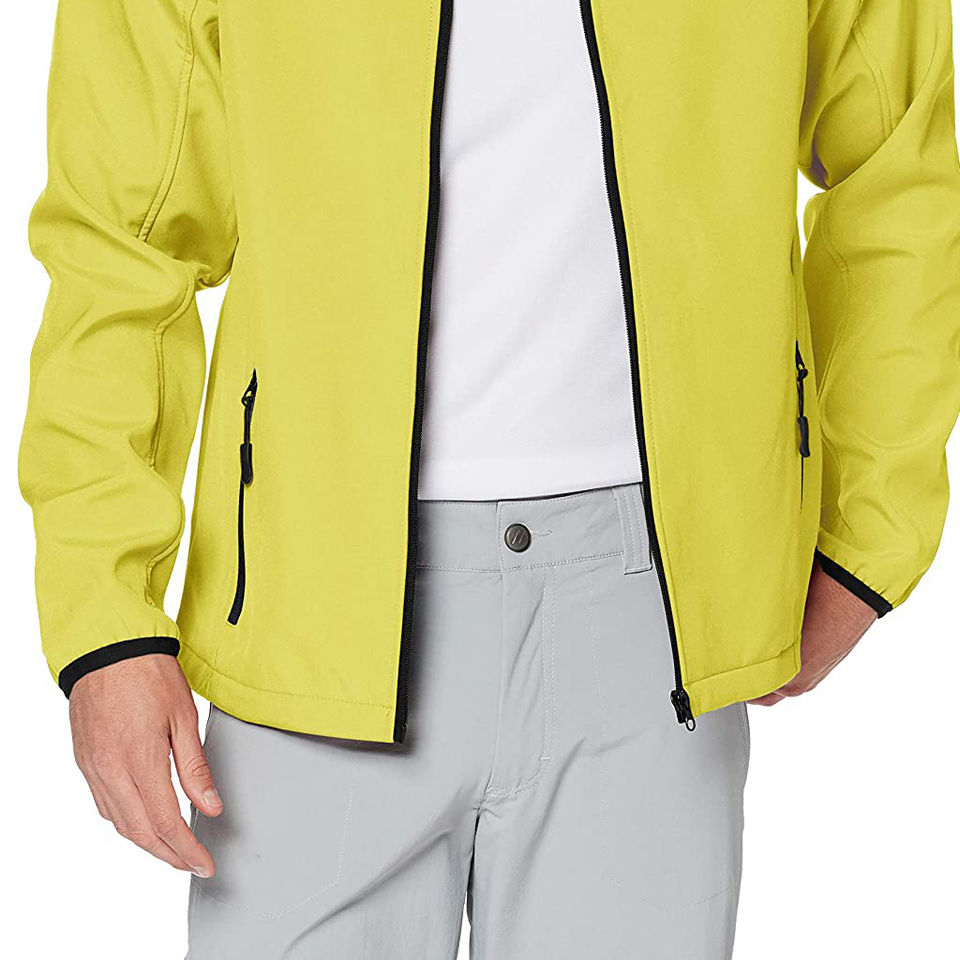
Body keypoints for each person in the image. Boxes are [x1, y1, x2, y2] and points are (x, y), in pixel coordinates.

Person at [20, 1, 960, 957]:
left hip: (659, 616)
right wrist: (106, 620)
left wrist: (867, 529)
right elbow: (122, 236)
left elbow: (897, 165)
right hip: (310, 604)